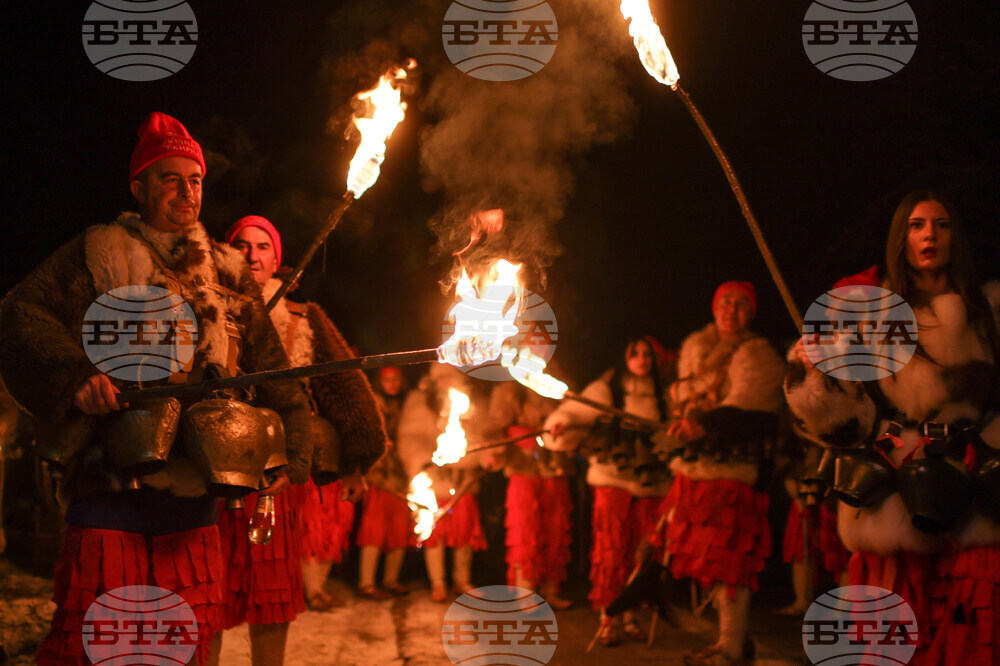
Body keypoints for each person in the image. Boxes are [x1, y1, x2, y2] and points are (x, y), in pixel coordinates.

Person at [0, 112, 314, 665]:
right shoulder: (96, 253)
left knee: (181, 646)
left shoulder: (227, 270)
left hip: (196, 494)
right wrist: (76, 379)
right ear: (138, 185)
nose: (186, 191)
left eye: (194, 180)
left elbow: (271, 363)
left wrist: (292, 446)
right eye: (169, 178)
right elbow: (21, 316)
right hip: (109, 488)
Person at [784, 191, 1000, 665]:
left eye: (941, 225)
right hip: (895, 491)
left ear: (954, 237)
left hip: (976, 490)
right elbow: (844, 417)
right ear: (901, 238)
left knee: (971, 629)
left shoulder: (989, 311)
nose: (930, 234)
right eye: (918, 225)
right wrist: (811, 373)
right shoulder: (874, 315)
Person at [208, 215, 386, 665]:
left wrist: (355, 462)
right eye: (242, 245)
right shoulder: (205, 305)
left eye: (263, 246)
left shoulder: (303, 318)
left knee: (269, 598)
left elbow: (345, 387)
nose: (252, 255)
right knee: (207, 596)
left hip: (276, 474)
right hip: (211, 473)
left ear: (277, 259)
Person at [661, 281, 784, 665]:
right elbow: (685, 408)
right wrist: (679, 430)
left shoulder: (758, 355)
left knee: (730, 563)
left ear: (752, 312)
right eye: (725, 302)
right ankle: (732, 640)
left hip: (733, 476)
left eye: (741, 304)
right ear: (714, 308)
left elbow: (752, 412)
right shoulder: (694, 351)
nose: (731, 310)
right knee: (711, 564)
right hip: (696, 475)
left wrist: (705, 426)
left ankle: (729, 648)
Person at [543, 336, 672, 646]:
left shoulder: (663, 396)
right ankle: (608, 617)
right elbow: (574, 413)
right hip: (611, 481)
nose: (642, 359)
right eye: (635, 353)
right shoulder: (605, 390)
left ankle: (630, 616)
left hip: (649, 486)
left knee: (641, 553)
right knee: (611, 551)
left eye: (648, 355)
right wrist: (562, 422)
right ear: (624, 357)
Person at [396, 363, 489, 602]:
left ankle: (461, 579)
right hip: (434, 481)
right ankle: (437, 582)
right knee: (435, 536)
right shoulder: (420, 402)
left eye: (448, 377)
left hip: (461, 482)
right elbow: (410, 437)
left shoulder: (466, 405)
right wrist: (426, 461)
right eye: (440, 378)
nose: (444, 383)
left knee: (463, 535)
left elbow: (480, 437)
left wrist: (485, 456)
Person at [488, 381, 573, 609]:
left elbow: (572, 419)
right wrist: (494, 453)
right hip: (522, 469)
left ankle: (550, 590)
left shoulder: (555, 383)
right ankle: (526, 595)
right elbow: (494, 429)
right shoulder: (509, 392)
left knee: (554, 530)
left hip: (553, 467)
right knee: (525, 530)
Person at [355, 366, 413, 599]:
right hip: (378, 477)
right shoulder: (372, 404)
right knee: (374, 530)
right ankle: (366, 583)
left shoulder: (408, 405)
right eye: (387, 380)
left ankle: (391, 580)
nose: (392, 384)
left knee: (399, 529)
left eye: (395, 379)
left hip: (400, 477)